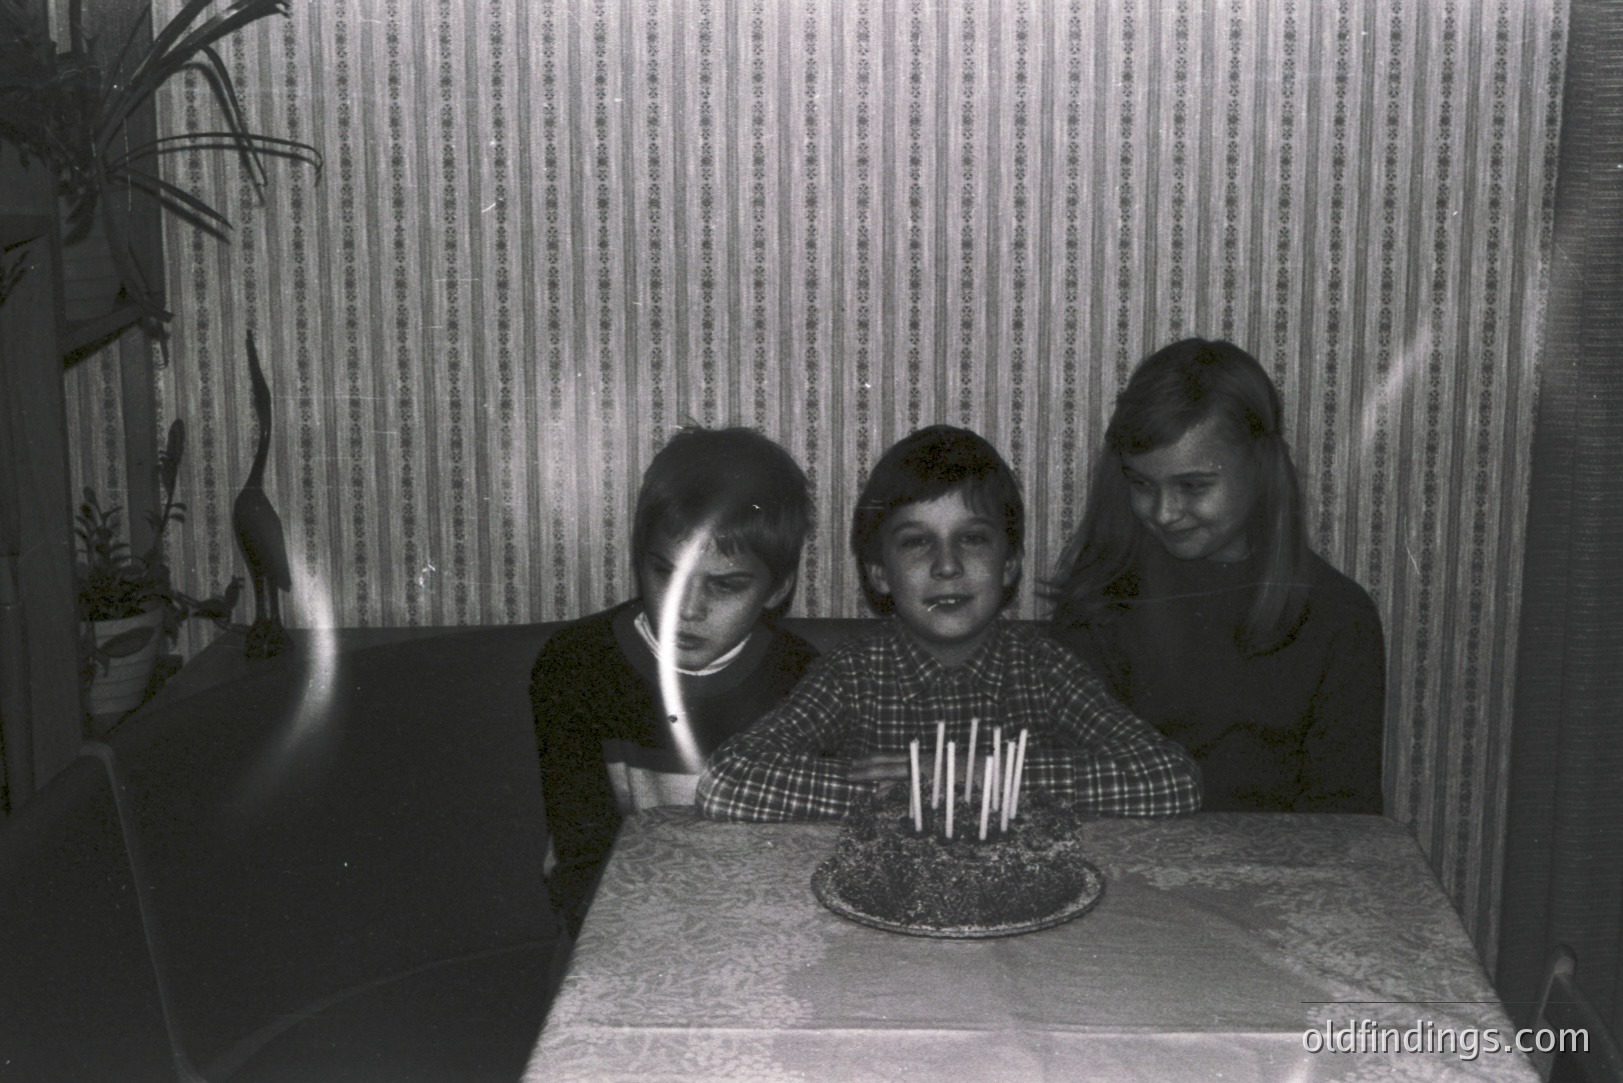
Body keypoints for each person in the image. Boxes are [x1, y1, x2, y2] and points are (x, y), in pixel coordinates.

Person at [697, 424, 1200, 822]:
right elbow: (730, 780)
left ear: (1009, 564)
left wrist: (985, 778)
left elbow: (1170, 779)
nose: (946, 565)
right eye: (916, 542)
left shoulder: (1044, 670)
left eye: (973, 538)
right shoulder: (852, 674)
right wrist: (916, 789)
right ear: (879, 572)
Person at [1047, 338, 1385, 813]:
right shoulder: (1101, 599)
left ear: (1262, 466)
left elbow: (1348, 821)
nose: (1164, 513)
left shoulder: (1339, 617)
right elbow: (1076, 798)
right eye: (1142, 484)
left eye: (1193, 486)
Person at [532, 426, 819, 935]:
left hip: (753, 924)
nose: (687, 610)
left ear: (778, 588)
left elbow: (797, 863)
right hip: (612, 923)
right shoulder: (576, 665)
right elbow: (582, 859)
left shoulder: (806, 683)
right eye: (668, 573)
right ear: (639, 559)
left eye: (726, 586)